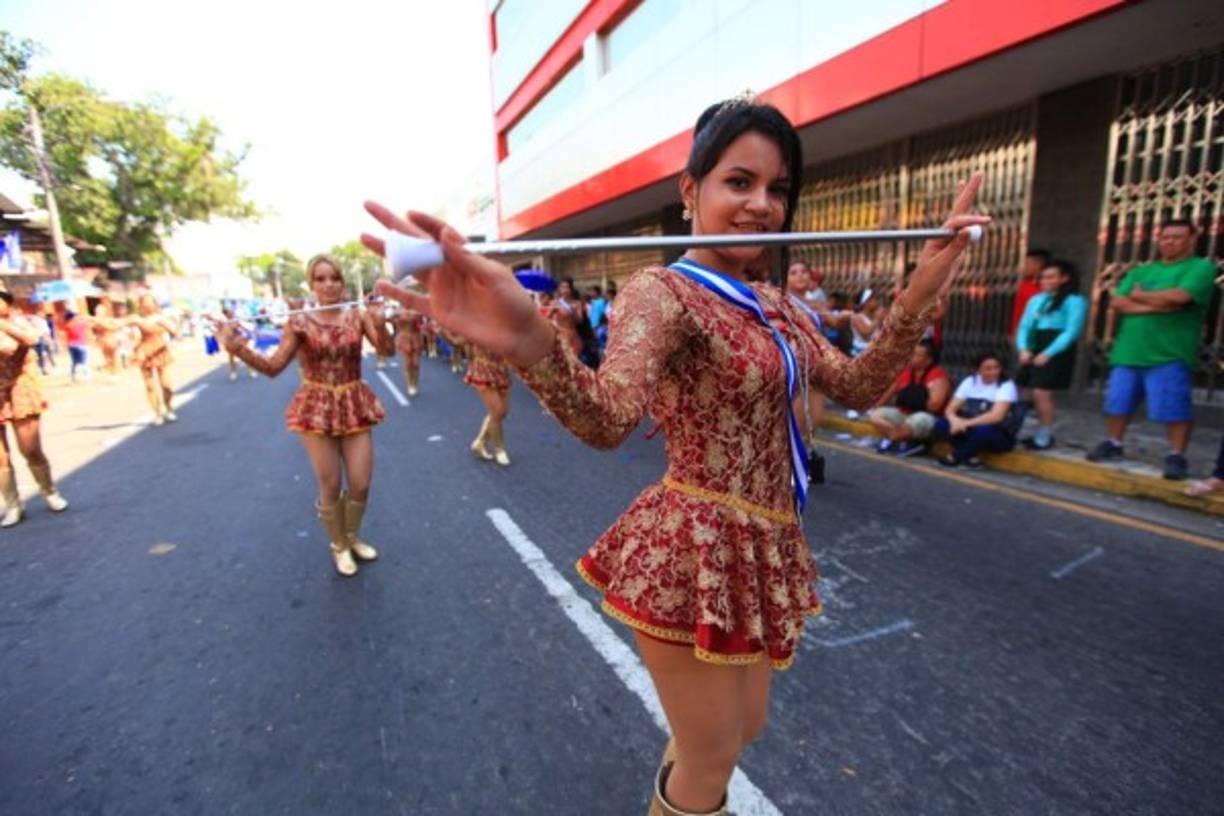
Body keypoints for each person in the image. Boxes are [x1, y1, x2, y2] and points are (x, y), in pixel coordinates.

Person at [364, 96, 985, 815]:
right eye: (739, 182)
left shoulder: (777, 306)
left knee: (737, 731)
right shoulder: (662, 294)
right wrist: (532, 342)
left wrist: (924, 284)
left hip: (766, 543)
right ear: (691, 192)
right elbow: (606, 418)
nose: (761, 206)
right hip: (693, 547)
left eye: (777, 189)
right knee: (711, 755)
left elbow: (859, 383)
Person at [215, 254, 393, 577]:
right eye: (321, 279)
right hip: (316, 406)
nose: (329, 285)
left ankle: (352, 537)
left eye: (335, 278)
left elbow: (386, 351)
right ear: (311, 285)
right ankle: (338, 545)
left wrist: (380, 322)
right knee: (331, 483)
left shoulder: (358, 315)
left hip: (354, 401)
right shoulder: (299, 321)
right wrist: (237, 349)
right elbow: (272, 368)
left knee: (361, 482)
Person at [1086, 219, 1217, 479]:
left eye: (1178, 237)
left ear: (1192, 239)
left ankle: (1176, 454)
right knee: (1118, 402)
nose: (1170, 242)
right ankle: (1114, 443)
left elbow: (1181, 297)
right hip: (1129, 351)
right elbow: (1118, 302)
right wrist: (1158, 304)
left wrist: (1140, 296)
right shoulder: (1141, 272)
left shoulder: (1200, 268)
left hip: (1169, 352)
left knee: (1173, 407)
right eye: (1166, 237)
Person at [0, 290, 68, 527]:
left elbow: (25, 341)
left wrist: (2, 325)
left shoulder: (22, 323)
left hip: (21, 390)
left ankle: (49, 491)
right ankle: (13, 504)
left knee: (29, 448)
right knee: (0, 457)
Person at [1014, 259, 1087, 450]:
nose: (1045, 281)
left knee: (1042, 393)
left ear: (1064, 278)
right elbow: (1024, 326)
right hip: (1034, 344)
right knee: (1025, 391)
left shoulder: (1074, 301)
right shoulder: (1036, 300)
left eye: (1051, 277)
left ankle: (1044, 434)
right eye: (1043, 277)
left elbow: (1071, 331)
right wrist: (1023, 348)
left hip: (1055, 347)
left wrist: (1049, 353)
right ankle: (1016, 428)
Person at [933, 351, 1021, 467]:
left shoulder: (1006, 385)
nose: (994, 372)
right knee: (941, 424)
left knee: (982, 431)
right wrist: (955, 421)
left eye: (996, 368)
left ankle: (954, 457)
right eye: (988, 369)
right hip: (970, 428)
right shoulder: (970, 381)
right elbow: (950, 408)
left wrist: (966, 423)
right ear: (978, 370)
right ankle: (970, 457)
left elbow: (996, 416)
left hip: (998, 433)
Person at [867, 339, 950, 456]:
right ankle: (901, 440)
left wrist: (914, 399)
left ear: (929, 360)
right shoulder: (906, 371)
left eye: (918, 355)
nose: (912, 357)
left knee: (918, 420)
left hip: (926, 416)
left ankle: (892, 439)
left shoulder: (937, 375)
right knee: (876, 415)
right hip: (904, 413)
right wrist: (875, 406)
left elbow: (935, 405)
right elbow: (890, 391)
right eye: (912, 353)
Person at [129, 295, 179, 425]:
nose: (147, 306)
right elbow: (132, 334)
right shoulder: (137, 319)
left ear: (154, 305)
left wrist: (170, 329)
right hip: (144, 352)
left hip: (160, 351)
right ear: (140, 306)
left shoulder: (161, 318)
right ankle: (157, 413)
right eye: (144, 304)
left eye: (149, 304)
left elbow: (175, 332)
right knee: (150, 386)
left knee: (166, 384)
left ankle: (168, 407)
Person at [465, 344, 512, 466]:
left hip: (501, 369)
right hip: (484, 367)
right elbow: (460, 339)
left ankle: (479, 442)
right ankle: (499, 449)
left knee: (503, 411)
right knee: (497, 412)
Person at [1009, 248, 1050, 338]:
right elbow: (1018, 311)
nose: (1025, 267)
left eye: (1028, 263)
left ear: (1039, 265)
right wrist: (1015, 332)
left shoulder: (1049, 286)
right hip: (1026, 331)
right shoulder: (1025, 286)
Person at [392, 306, 425, 396]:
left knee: (416, 364)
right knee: (407, 364)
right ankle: (409, 385)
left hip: (415, 337)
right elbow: (390, 318)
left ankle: (415, 384)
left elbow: (421, 323)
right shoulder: (398, 311)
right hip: (403, 337)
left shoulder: (417, 311)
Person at [90, 301, 124, 379]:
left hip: (111, 339)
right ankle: (111, 373)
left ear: (104, 312)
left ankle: (116, 373)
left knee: (114, 357)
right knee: (106, 357)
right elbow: (94, 330)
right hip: (103, 341)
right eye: (97, 312)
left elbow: (114, 328)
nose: (98, 313)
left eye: (100, 311)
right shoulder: (96, 321)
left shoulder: (109, 320)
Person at [64, 309, 90, 383]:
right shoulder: (80, 324)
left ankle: (73, 377)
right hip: (82, 344)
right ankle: (86, 378)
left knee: (74, 363)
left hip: (71, 345)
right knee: (85, 362)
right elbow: (87, 323)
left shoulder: (67, 325)